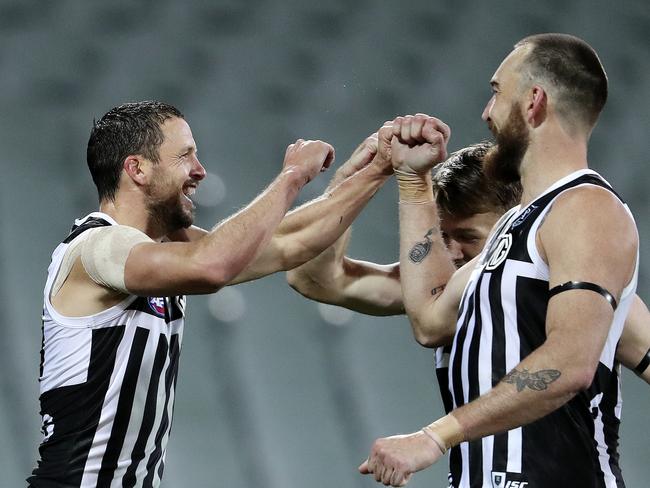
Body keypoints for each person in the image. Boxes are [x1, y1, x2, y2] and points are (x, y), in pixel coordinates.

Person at [27, 101, 393, 487]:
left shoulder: (164, 250)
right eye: (185, 156)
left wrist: (375, 170)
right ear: (137, 168)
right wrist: (291, 176)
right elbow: (213, 265)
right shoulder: (98, 246)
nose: (199, 171)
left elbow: (290, 243)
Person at [359, 33, 639, 488]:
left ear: (534, 102)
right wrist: (412, 181)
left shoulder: (588, 208)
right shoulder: (515, 225)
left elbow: (570, 362)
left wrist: (435, 437)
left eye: (495, 92)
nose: (486, 113)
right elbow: (430, 320)